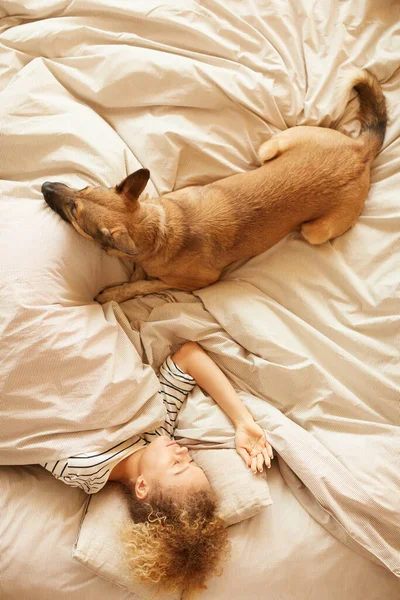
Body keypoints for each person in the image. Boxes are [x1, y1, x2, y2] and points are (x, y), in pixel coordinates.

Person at [42, 342, 273, 595]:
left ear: (142, 485)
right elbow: (189, 356)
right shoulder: (159, 432)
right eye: (191, 461)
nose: (183, 451)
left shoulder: (86, 468)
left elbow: (36, 428)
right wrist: (243, 421)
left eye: (177, 465)